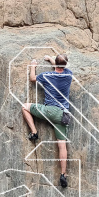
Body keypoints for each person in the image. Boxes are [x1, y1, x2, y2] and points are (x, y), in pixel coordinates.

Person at [21, 54, 73, 188]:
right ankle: (63, 174)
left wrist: (33, 66)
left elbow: (32, 79)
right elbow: (60, 67)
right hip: (64, 115)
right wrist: (51, 60)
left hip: (50, 111)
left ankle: (34, 132)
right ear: (65, 65)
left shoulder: (47, 76)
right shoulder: (68, 75)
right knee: (62, 145)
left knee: (25, 107)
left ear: (55, 63)